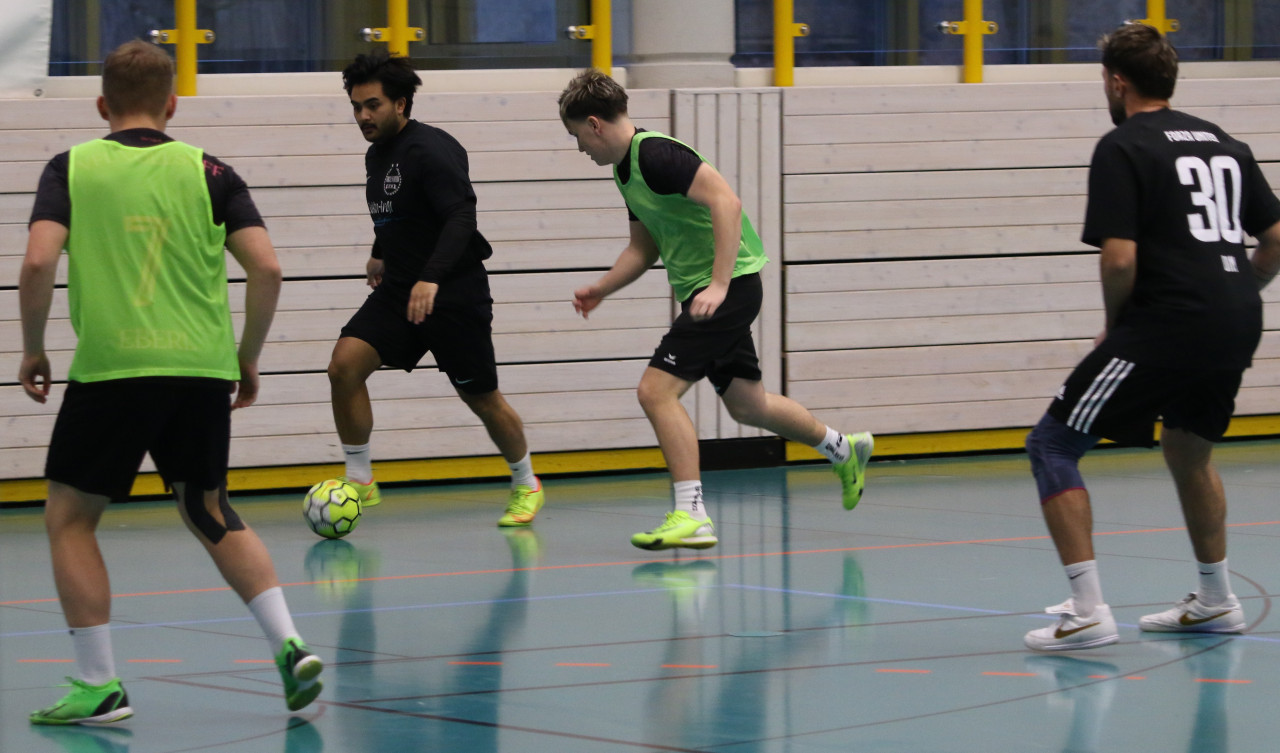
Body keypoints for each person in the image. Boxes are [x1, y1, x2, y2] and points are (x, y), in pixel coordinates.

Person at [18, 40, 323, 724]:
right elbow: (267, 268)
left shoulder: (71, 167)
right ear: (172, 106)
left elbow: (38, 262)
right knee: (209, 509)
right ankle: (289, 643)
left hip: (114, 371)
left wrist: (33, 348)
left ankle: (99, 684)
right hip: (201, 370)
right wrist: (246, 358)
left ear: (102, 105)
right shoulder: (212, 171)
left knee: (70, 518)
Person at [1022, 23, 1280, 651]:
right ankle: (1217, 599)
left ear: (1117, 82)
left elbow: (1119, 259)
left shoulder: (1124, 145)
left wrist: (1118, 324)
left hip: (1169, 319)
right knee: (1189, 449)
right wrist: (1236, 292)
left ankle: (1087, 612)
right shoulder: (1223, 142)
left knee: (1053, 443)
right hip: (1237, 316)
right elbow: (1275, 240)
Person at [558, 69, 874, 551]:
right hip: (709, 293)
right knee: (748, 405)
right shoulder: (626, 171)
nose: (580, 147)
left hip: (730, 288)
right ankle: (842, 448)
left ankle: (692, 514)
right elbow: (643, 248)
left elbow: (727, 202)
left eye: (577, 135)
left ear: (595, 124)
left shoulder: (657, 154)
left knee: (655, 392)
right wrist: (602, 288)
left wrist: (720, 284)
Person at [328, 51, 543, 526]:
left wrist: (432, 277)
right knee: (344, 367)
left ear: (400, 104)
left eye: (372, 105)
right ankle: (361, 479)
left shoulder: (432, 149)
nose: (363, 116)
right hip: (399, 292)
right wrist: (380, 251)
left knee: (481, 398)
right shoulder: (376, 154)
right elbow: (400, 213)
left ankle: (526, 482)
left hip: (453, 294)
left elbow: (460, 216)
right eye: (356, 106)